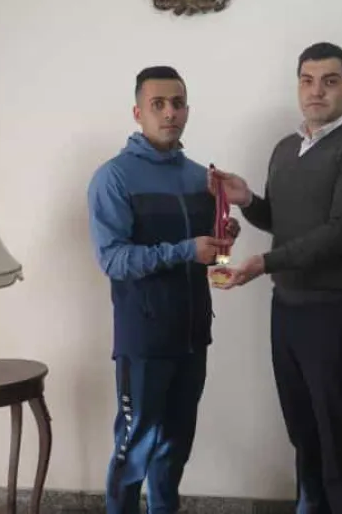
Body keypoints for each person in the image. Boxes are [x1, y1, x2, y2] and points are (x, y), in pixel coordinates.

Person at [209, 42, 342, 514]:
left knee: (338, 436)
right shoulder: (285, 148)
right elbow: (284, 222)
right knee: (303, 432)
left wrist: (264, 263)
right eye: (307, 80)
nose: (316, 91)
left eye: (330, 81)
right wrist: (248, 200)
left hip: (336, 311)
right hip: (287, 309)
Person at [87, 65, 239, 514]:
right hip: (144, 340)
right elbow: (112, 259)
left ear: (187, 110)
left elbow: (210, 254)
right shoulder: (113, 178)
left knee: (174, 449)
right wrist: (186, 249)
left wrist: (223, 236)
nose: (169, 112)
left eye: (177, 103)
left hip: (193, 336)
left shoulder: (200, 177)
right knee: (133, 450)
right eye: (158, 104)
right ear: (138, 112)